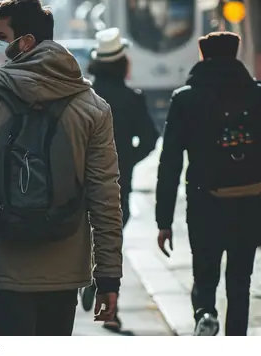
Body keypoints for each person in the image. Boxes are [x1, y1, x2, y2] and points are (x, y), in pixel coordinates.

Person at [0, 0, 123, 336]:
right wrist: (107, 276)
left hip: (2, 265)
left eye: (0, 37)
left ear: (26, 42)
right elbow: (105, 196)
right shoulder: (92, 109)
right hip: (64, 268)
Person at [156, 32, 261, 336]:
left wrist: (164, 221)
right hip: (251, 202)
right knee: (241, 281)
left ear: (202, 56)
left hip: (205, 202)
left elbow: (170, 162)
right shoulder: (256, 95)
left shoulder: (186, 98)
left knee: (205, 270)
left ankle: (205, 313)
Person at [83, 27, 158, 330]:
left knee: (84, 234)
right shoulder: (132, 99)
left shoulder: (83, 97)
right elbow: (151, 138)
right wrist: (126, 161)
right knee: (111, 242)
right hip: (118, 182)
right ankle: (107, 307)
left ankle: (87, 276)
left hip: (82, 180)